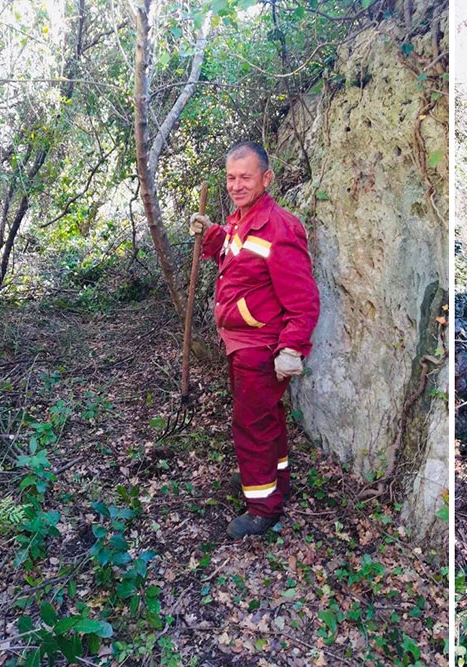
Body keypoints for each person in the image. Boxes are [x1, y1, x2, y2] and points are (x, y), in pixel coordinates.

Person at [188, 141, 320, 538]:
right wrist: (211, 234)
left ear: (266, 178)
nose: (236, 185)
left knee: (251, 425)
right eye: (231, 177)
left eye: (245, 177)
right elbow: (235, 257)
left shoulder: (280, 227)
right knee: (267, 420)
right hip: (239, 343)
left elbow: (304, 300)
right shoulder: (241, 221)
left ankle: (263, 508)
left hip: (260, 348)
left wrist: (291, 347)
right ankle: (272, 480)